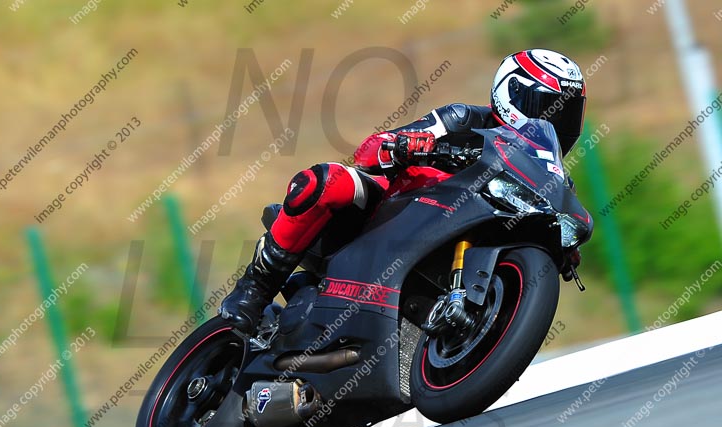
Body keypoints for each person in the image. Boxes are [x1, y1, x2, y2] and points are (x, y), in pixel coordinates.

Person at [219, 49, 587, 335]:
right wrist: (409, 145)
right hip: (394, 206)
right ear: (511, 92)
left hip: (461, 231)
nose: (555, 119)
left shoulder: (552, 176)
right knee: (326, 181)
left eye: (567, 113)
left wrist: (561, 246)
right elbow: (369, 151)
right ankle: (256, 286)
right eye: (545, 106)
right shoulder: (463, 119)